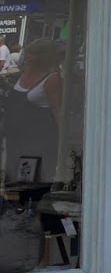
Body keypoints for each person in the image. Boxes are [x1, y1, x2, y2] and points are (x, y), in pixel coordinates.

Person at [5, 39, 64, 182]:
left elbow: (57, 109)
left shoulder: (52, 79)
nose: (28, 57)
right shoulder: (24, 73)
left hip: (37, 140)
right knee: (13, 178)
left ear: (43, 57)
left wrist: (63, 139)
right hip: (16, 139)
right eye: (28, 53)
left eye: (32, 54)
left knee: (29, 178)